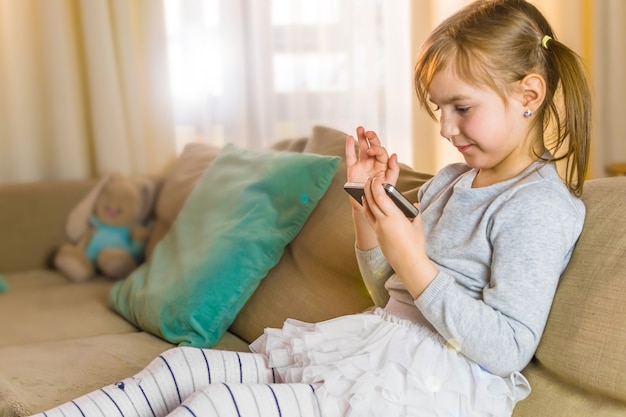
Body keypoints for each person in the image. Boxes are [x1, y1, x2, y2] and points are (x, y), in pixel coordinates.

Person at [33, 0, 590, 416]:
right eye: (439, 108)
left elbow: (509, 348)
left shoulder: (538, 206)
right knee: (184, 366)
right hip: (374, 346)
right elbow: (387, 293)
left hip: (421, 388)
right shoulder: (450, 181)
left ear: (529, 95)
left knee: (218, 406)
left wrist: (415, 261)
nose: (444, 128)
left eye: (461, 107)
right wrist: (366, 210)